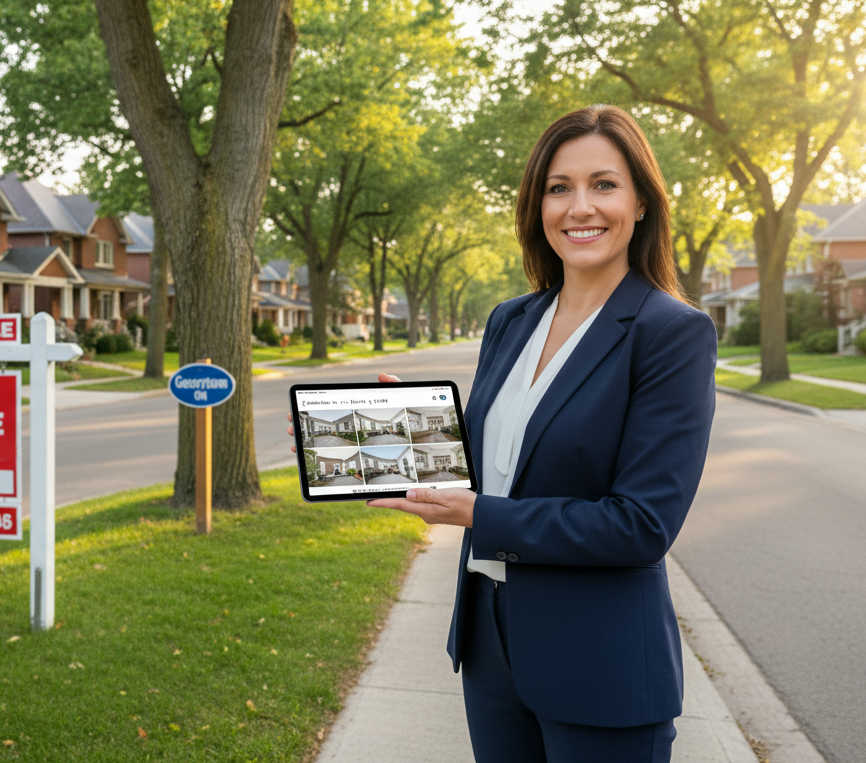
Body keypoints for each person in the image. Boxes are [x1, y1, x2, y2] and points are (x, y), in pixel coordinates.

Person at [287, 105, 717, 762]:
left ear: (640, 204)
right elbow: (506, 465)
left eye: (604, 184)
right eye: (558, 187)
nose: (580, 207)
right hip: (491, 648)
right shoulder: (512, 321)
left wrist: (479, 515)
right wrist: (376, 441)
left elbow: (640, 525)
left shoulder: (670, 333)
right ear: (537, 205)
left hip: (599, 666)